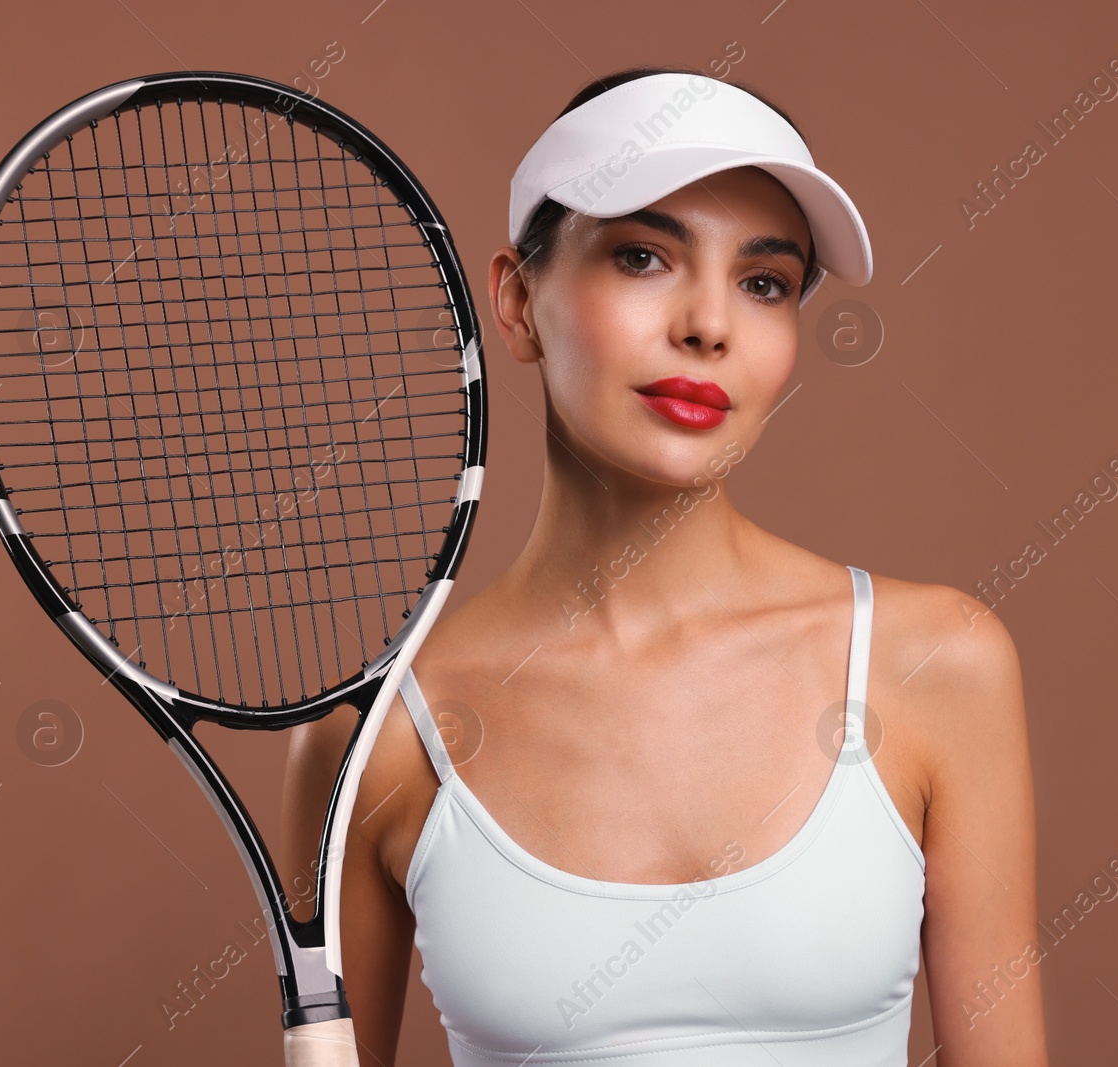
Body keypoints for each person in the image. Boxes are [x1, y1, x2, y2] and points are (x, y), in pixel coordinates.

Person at [285, 65, 1048, 1067]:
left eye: (763, 281)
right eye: (643, 257)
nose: (708, 324)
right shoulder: (372, 735)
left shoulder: (935, 662)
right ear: (515, 302)